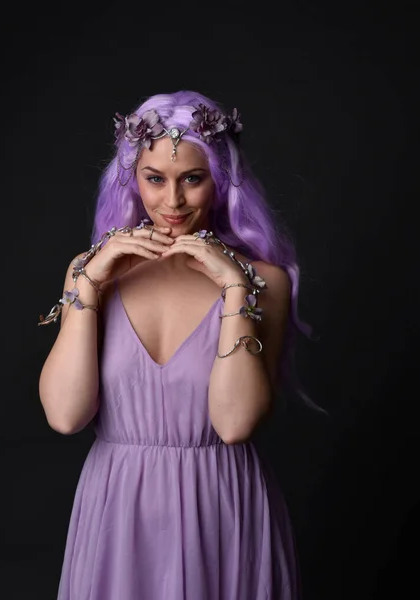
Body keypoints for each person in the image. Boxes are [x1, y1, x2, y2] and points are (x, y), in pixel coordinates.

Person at [38, 90, 316, 599]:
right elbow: (65, 415)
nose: (173, 201)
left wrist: (235, 290)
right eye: (155, 179)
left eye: (192, 178)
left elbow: (234, 425)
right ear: (131, 178)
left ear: (221, 180)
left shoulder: (264, 281)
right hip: (117, 511)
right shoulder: (90, 272)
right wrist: (87, 288)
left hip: (221, 510)